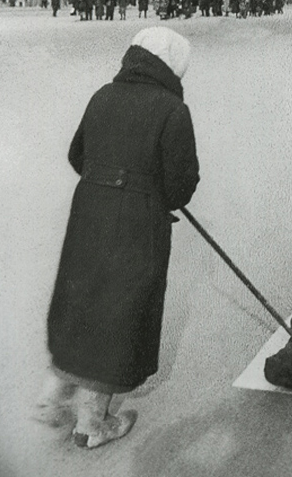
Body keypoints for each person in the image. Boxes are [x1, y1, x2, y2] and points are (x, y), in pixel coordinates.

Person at [34, 26, 200, 448]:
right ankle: (92, 422)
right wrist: (147, 192)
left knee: (82, 298)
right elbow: (180, 187)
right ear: (173, 68)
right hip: (138, 223)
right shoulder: (171, 110)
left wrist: (104, 184)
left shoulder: (102, 95)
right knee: (119, 309)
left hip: (88, 212)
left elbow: (77, 154)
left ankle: (53, 397)